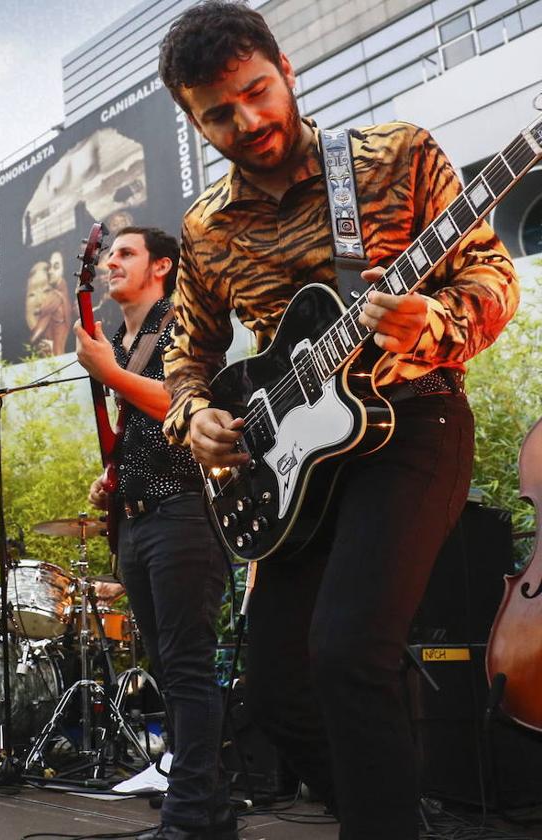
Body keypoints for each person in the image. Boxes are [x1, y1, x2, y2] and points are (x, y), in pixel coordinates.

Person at [157, 3, 519, 838]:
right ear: (192, 118)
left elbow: (492, 274)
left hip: (411, 423)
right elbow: (188, 353)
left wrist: (436, 322)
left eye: (256, 92)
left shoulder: (394, 156)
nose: (246, 121)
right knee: (278, 691)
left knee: (351, 652)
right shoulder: (206, 229)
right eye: (219, 112)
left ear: (286, 70)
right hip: (293, 467)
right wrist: (197, 414)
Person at [74, 226, 233, 840]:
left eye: (126, 253)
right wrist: (113, 475)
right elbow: (144, 431)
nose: (111, 262)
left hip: (187, 511)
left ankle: (189, 815)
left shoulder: (181, 324)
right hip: (140, 517)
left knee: (187, 667)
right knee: (169, 669)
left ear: (162, 265)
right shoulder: (119, 337)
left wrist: (110, 374)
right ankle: (211, 811)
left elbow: (185, 407)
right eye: (108, 254)